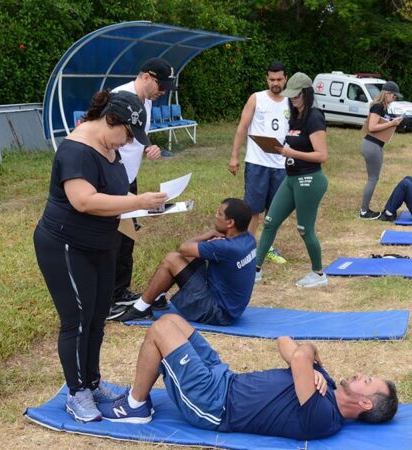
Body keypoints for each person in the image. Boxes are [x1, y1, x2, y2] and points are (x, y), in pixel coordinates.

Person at [33, 90, 168, 422]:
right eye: (126, 134)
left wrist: (141, 216)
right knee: (76, 321)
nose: (127, 142)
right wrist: (138, 203)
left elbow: (116, 194)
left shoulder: (110, 147)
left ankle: (92, 382)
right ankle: (76, 392)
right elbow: (84, 201)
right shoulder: (76, 150)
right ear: (110, 120)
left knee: (96, 317)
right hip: (66, 246)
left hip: (102, 244)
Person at [97, 314, 399, 440]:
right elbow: (283, 340)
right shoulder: (326, 385)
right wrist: (308, 355)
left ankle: (135, 404)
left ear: (365, 404)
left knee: (161, 331)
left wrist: (307, 354)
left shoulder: (324, 418)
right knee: (172, 320)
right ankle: (138, 399)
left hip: (214, 404)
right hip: (223, 378)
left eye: (368, 381)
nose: (361, 375)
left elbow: (295, 355)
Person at [106, 58, 175, 320]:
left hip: (129, 178)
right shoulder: (119, 98)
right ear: (146, 76)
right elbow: (106, 139)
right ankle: (108, 297)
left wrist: (149, 147)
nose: (163, 92)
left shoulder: (145, 100)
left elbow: (134, 139)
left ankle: (120, 290)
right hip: (113, 178)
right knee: (113, 237)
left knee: (127, 238)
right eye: (161, 85)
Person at [115, 198, 257, 325]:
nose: (215, 216)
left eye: (219, 214)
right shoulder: (249, 239)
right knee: (192, 256)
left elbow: (183, 248)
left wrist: (207, 235)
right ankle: (158, 299)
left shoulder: (225, 247)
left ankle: (139, 310)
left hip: (217, 314)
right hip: (232, 310)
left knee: (172, 259)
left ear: (230, 223)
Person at [253, 72, 329, 288]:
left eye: (297, 96)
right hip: (291, 178)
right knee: (270, 222)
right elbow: (294, 146)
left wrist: (292, 153)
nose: (293, 100)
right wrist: (279, 149)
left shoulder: (314, 117)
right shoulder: (295, 116)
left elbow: (322, 155)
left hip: (310, 180)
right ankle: (256, 270)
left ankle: (319, 273)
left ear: (306, 94)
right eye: (291, 97)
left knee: (305, 229)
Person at [229, 60, 290, 265]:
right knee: (253, 210)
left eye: (279, 79)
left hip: (281, 165)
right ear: (267, 78)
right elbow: (242, 127)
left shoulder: (291, 101)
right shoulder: (256, 98)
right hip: (257, 164)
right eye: (272, 79)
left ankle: (266, 247)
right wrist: (234, 156)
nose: (275, 83)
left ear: (285, 79)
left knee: (274, 213)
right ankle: (246, 250)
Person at [359, 81, 403, 220]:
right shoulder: (378, 107)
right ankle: (364, 211)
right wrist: (392, 123)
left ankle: (365, 210)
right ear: (387, 94)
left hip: (374, 145)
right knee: (373, 179)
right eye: (394, 96)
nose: (394, 99)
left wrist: (392, 121)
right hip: (371, 145)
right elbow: (372, 127)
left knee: (373, 178)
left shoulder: (381, 107)